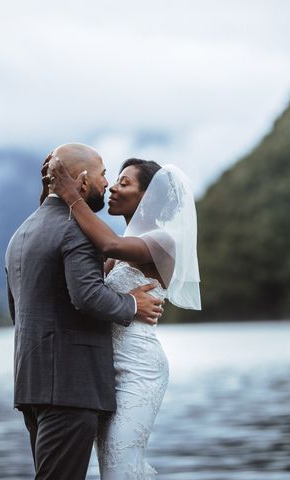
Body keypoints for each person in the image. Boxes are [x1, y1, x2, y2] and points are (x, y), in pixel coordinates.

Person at [4, 143, 165, 480]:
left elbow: (17, 311)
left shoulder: (22, 233)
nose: (107, 184)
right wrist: (134, 303)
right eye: (104, 174)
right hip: (70, 386)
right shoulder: (77, 230)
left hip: (31, 383)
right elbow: (89, 295)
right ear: (80, 180)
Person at [48, 156, 201, 478]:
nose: (114, 188)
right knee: (111, 467)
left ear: (150, 198)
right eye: (115, 179)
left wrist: (71, 196)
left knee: (120, 465)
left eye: (125, 183)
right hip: (104, 369)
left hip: (139, 368)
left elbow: (109, 242)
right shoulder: (123, 248)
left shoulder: (162, 241)